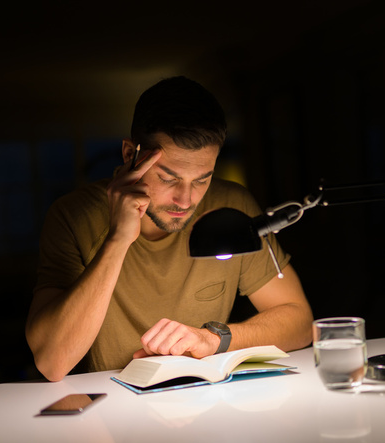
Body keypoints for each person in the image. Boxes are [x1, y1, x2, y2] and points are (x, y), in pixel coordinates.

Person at [26, 76, 313, 382]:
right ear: (130, 156)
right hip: (114, 414)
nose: (186, 200)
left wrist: (212, 340)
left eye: (202, 179)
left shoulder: (231, 206)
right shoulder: (73, 216)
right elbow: (51, 363)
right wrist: (118, 239)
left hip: (209, 408)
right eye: (168, 178)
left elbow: (300, 321)